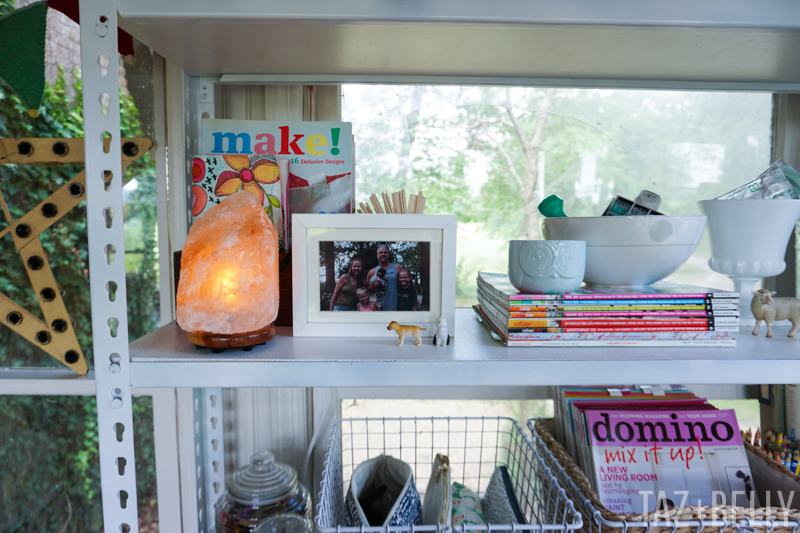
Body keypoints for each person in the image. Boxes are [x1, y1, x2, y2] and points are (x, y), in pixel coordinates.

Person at [367, 245, 402, 311]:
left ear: (388, 255)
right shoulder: (372, 272)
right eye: (380, 253)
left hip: (396, 306)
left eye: (385, 252)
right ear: (377, 255)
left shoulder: (397, 268)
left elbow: (407, 284)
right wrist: (376, 285)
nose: (383, 254)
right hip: (380, 307)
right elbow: (367, 290)